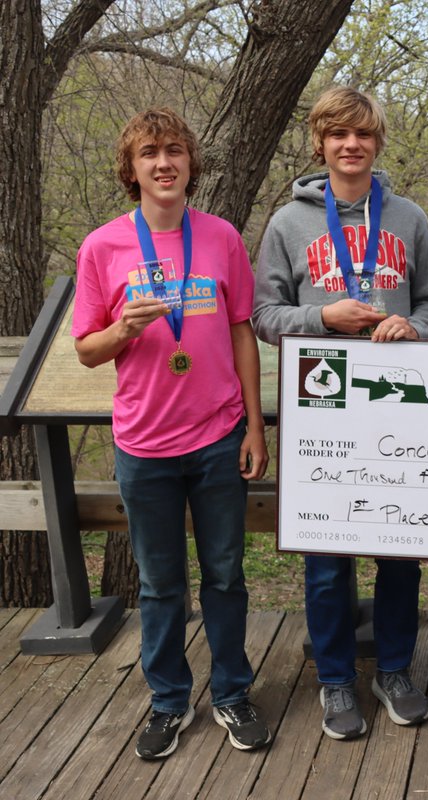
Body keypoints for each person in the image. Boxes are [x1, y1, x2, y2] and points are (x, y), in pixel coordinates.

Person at [73, 108, 271, 759]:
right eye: (151, 153)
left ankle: (233, 693)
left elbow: (242, 327)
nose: (165, 162)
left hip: (217, 439)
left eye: (175, 150)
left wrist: (253, 424)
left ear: (191, 163)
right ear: (131, 170)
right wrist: (123, 329)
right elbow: (86, 350)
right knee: (160, 585)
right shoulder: (103, 247)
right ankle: (167, 701)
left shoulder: (220, 238)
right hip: (144, 446)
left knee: (225, 576)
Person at [252, 86, 428, 740]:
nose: (351, 145)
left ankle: (393, 669)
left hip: (398, 403)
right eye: (338, 134)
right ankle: (335, 681)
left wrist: (410, 328)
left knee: (400, 546)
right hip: (325, 407)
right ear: (321, 143)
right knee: (326, 555)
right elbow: (263, 316)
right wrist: (323, 318)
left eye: (362, 134)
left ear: (376, 142)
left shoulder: (410, 218)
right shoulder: (288, 223)